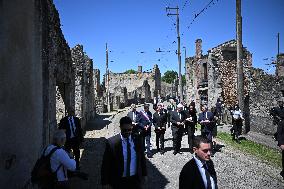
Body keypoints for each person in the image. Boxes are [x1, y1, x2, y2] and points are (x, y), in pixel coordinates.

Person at [101, 116, 147, 189]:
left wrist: (144, 174)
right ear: (120, 128)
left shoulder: (137, 139)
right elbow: (106, 164)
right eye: (124, 130)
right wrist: (105, 182)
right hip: (119, 180)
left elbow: (142, 158)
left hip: (135, 179)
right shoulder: (112, 143)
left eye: (129, 130)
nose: (127, 132)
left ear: (132, 127)